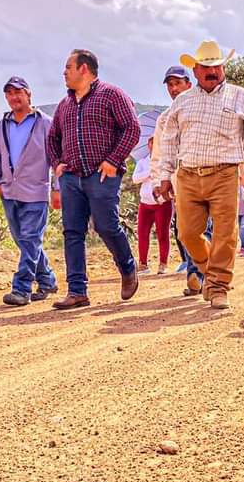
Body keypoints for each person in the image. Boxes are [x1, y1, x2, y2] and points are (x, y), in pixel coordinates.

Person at [156, 40, 244, 310]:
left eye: (216, 65)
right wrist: (164, 175)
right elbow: (169, 140)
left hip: (225, 173)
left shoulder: (240, 97)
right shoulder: (182, 102)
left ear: (223, 67)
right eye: (205, 66)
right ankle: (209, 271)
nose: (211, 71)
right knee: (187, 233)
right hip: (188, 175)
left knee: (225, 234)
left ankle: (217, 286)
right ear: (195, 70)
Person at [48, 49, 141, 309]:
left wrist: (113, 160)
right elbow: (52, 138)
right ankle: (77, 291)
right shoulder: (64, 105)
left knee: (106, 226)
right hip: (72, 178)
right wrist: (57, 164)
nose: (64, 72)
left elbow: (132, 128)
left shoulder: (112, 95)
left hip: (102, 175)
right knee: (72, 232)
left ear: (84, 69)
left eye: (68, 67)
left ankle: (127, 267)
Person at [0, 76, 59, 306]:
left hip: (37, 192)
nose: (13, 97)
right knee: (24, 241)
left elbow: (57, 157)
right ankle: (47, 279)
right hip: (9, 192)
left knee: (30, 239)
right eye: (9, 93)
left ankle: (21, 289)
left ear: (29, 94)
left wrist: (57, 188)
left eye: (18, 92)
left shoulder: (45, 123)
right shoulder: (3, 125)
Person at [151, 65, 207, 295]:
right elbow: (159, 152)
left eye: (178, 83)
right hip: (181, 181)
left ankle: (200, 274)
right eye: (170, 85)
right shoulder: (164, 120)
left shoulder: (204, 110)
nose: (174, 89)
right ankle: (204, 272)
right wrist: (158, 180)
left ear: (189, 84)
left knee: (208, 226)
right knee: (186, 230)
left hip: (209, 176)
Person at [132, 137, 172, 274]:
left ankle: (163, 264)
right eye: (152, 144)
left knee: (163, 233)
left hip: (162, 203)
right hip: (145, 203)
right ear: (148, 146)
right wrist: (150, 172)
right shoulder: (142, 162)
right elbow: (135, 178)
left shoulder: (165, 163)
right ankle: (143, 264)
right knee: (142, 234)